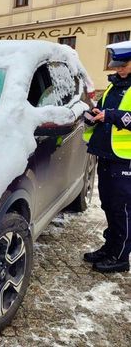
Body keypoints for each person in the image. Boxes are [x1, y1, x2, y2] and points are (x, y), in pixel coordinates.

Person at [82, 41, 131, 273]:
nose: (118, 69)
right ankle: (110, 247)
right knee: (109, 205)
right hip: (107, 155)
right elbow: (101, 110)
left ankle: (121, 257)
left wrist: (111, 115)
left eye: (124, 65)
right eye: (116, 66)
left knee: (123, 209)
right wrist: (92, 115)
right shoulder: (114, 87)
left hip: (126, 160)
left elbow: (118, 116)